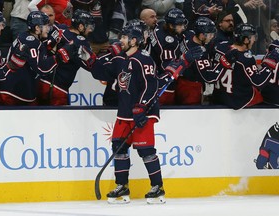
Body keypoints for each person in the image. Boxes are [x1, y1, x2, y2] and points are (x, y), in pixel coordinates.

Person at [79, 24, 166, 204]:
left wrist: (141, 107)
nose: (121, 40)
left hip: (144, 113)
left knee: (146, 151)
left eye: (125, 37)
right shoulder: (120, 59)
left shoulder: (144, 59)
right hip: (124, 113)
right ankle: (122, 186)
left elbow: (152, 86)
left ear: (134, 40)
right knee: (118, 148)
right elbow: (102, 72)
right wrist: (90, 61)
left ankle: (157, 188)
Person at [0, 11, 73, 106]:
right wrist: (60, 56)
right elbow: (41, 68)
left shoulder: (25, 36)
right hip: (15, 93)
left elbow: (36, 56)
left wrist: (51, 45)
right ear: (37, 28)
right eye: (45, 26)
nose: (48, 29)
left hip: (7, 89)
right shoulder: (32, 43)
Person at [37, 9, 95, 105]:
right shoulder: (82, 42)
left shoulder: (60, 28)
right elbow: (91, 65)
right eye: (89, 27)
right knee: (61, 119)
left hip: (40, 81)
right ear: (81, 26)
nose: (90, 30)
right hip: (58, 90)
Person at [212, 23, 276, 109]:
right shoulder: (246, 58)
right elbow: (259, 82)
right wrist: (270, 63)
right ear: (246, 40)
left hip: (219, 97)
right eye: (253, 37)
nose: (254, 40)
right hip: (238, 100)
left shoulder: (219, 48)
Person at [149, 8, 189, 105]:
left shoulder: (161, 25)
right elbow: (168, 67)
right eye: (179, 25)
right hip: (163, 84)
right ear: (171, 25)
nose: (182, 28)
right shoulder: (168, 43)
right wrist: (185, 59)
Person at [175, 16, 217, 105]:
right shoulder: (199, 53)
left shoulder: (188, 34)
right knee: (191, 113)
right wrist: (223, 64)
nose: (212, 37)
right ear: (201, 35)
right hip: (191, 87)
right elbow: (208, 77)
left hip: (180, 80)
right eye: (210, 34)